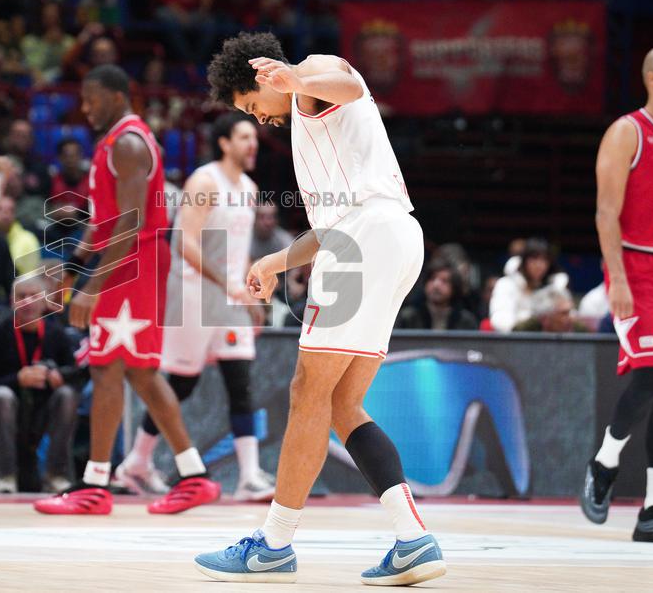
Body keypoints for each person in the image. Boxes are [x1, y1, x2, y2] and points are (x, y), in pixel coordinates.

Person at [195, 32, 445, 585]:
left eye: (251, 106)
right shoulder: (310, 130)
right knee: (342, 403)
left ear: (263, 82)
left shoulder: (310, 77)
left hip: (369, 240)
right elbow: (329, 229)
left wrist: (296, 78)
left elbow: (349, 83)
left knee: (307, 391)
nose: (259, 119)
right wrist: (275, 262)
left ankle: (274, 544)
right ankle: (412, 540)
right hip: (390, 238)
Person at [33, 65, 221, 515]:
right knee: (137, 371)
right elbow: (103, 219)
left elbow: (131, 222)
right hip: (129, 259)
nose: (85, 107)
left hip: (135, 261)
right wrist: (73, 267)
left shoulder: (131, 144)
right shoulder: (116, 144)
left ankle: (94, 485)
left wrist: (93, 286)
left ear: (118, 96)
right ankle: (194, 476)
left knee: (107, 368)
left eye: (92, 98)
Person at [114, 112, 275, 501]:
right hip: (194, 296)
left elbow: (238, 251)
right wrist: (228, 284)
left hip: (230, 297)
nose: (252, 144)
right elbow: (184, 244)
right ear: (224, 143)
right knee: (182, 384)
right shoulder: (204, 181)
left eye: (254, 137)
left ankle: (250, 476)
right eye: (244, 136)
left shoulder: (250, 188)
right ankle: (135, 462)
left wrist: (250, 291)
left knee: (242, 380)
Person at [580, 45, 653, 543]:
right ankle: (604, 466)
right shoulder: (628, 131)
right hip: (637, 268)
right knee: (650, 377)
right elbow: (606, 212)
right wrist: (617, 277)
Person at [0, 275, 84, 494]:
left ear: (45, 302)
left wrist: (58, 376)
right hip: (7, 412)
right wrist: (17, 379)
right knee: (1, 395)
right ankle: (6, 476)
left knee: (68, 395)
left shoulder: (56, 334)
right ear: (12, 301)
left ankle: (56, 475)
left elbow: (76, 376)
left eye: (34, 296)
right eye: (21, 296)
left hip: (45, 409)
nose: (27, 302)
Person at [488, 238, 569, 333]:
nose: (539, 265)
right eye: (534, 258)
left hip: (548, 345)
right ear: (524, 261)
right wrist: (533, 324)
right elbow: (500, 321)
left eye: (544, 260)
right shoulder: (506, 285)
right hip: (514, 343)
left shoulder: (554, 289)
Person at [395, 257, 479, 330]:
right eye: (432, 279)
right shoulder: (408, 317)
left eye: (444, 281)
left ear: (454, 287)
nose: (436, 285)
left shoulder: (466, 321)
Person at [511, 286, 588, 333]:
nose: (570, 318)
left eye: (569, 312)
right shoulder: (523, 332)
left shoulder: (580, 331)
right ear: (545, 318)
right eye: (564, 313)